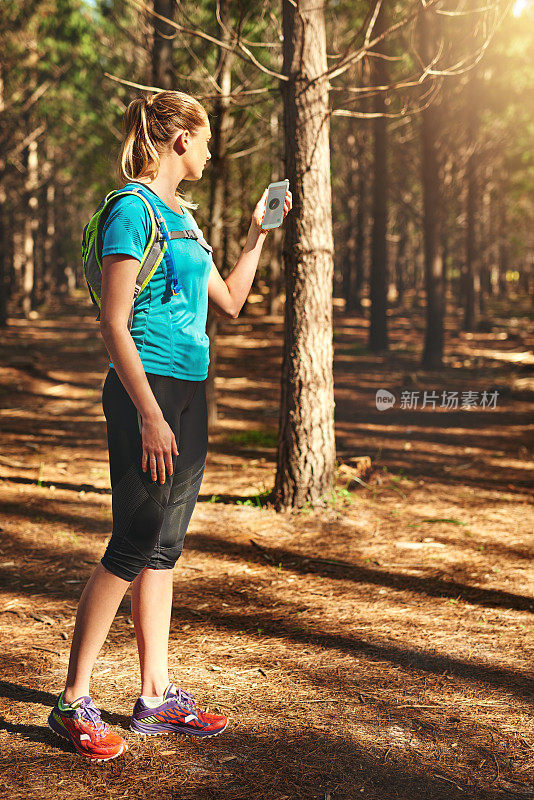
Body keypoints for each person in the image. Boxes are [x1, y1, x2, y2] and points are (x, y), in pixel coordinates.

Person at [46, 89, 292, 762]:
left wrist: (256, 234)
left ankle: (153, 697)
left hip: (191, 390)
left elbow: (233, 304)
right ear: (181, 137)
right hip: (144, 390)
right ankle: (71, 701)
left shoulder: (186, 219)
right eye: (206, 138)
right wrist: (150, 415)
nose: (211, 150)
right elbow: (112, 323)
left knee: (165, 546)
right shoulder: (135, 209)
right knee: (134, 538)